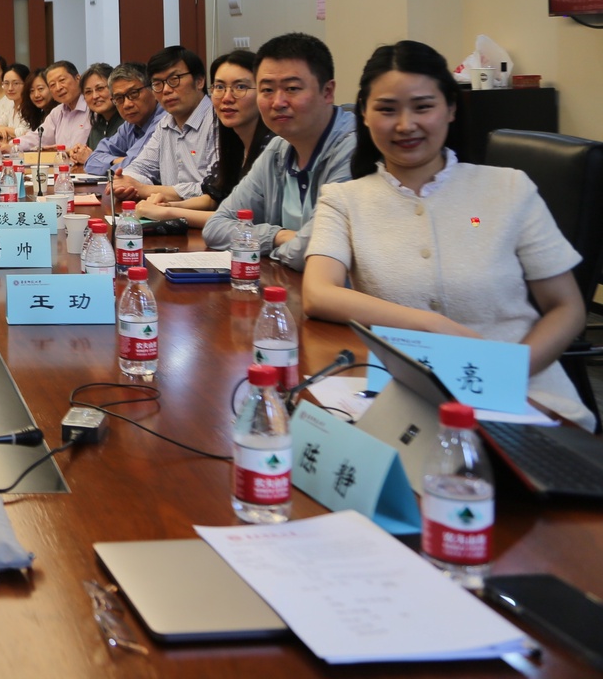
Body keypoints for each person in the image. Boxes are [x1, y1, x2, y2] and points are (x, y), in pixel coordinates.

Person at [302, 41, 593, 429]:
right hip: (407, 402)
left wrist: (506, 374)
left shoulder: (510, 188)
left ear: (451, 108)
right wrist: (428, 324)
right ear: (365, 115)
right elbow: (318, 293)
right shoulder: (343, 200)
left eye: (423, 107)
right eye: (387, 109)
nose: (405, 125)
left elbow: (566, 307)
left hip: (526, 399)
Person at [201, 33, 354, 268]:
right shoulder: (278, 150)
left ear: (327, 92)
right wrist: (279, 236)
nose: (278, 102)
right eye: (267, 90)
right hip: (287, 285)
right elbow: (215, 228)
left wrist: (266, 245)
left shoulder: (353, 150)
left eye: (292, 88)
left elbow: (316, 248)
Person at [133, 50, 270, 227]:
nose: (227, 98)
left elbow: (243, 220)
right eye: (219, 87)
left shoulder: (272, 146)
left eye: (240, 87)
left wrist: (169, 212)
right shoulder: (233, 139)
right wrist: (166, 206)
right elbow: (214, 196)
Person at [114, 46, 218, 202]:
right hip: (167, 213)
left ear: (199, 81)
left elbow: (214, 189)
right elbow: (140, 167)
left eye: (174, 80)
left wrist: (144, 189)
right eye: (157, 84)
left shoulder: (218, 121)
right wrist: (125, 183)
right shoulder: (165, 123)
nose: (166, 90)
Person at [82, 63, 167, 176]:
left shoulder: (165, 120)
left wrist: (113, 162)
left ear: (153, 89)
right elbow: (91, 161)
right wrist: (117, 161)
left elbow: (137, 166)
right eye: (119, 98)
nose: (127, 104)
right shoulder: (129, 125)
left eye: (134, 93)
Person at [35, 60, 92, 152]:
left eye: (62, 80)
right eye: (52, 85)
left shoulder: (92, 107)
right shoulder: (57, 112)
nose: (58, 88)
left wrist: (68, 152)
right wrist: (13, 145)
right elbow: (38, 138)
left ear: (78, 78)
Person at [80, 63, 121, 153]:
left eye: (100, 88)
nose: (94, 96)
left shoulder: (129, 122)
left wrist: (91, 157)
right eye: (88, 92)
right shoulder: (97, 126)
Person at [20, 66, 51, 134]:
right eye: (32, 91)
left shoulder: (59, 113)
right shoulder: (38, 114)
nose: (36, 95)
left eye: (40, 89)